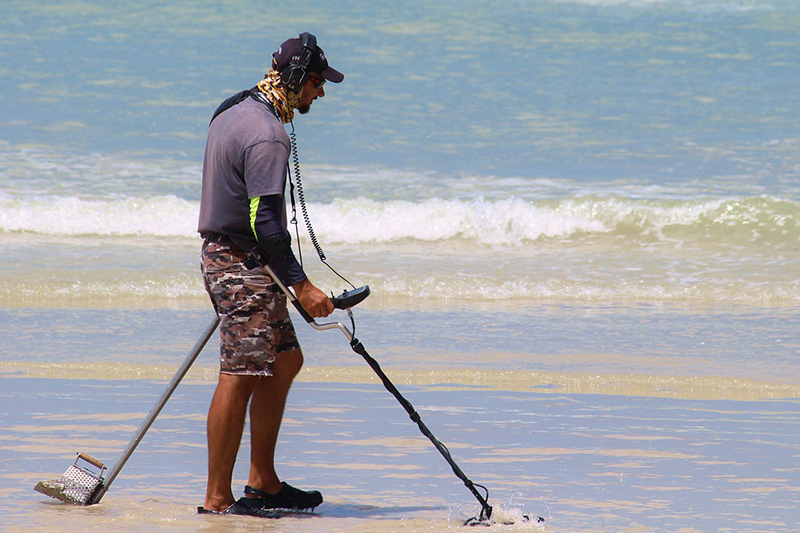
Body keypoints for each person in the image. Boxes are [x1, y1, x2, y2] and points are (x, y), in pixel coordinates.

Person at [196, 33, 342, 517]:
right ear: (298, 80)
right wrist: (302, 285)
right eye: (318, 84)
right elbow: (266, 223)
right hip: (240, 265)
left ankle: (263, 482)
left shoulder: (232, 108)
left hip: (238, 257)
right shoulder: (268, 135)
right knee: (239, 374)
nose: (320, 94)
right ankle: (217, 499)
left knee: (284, 361)